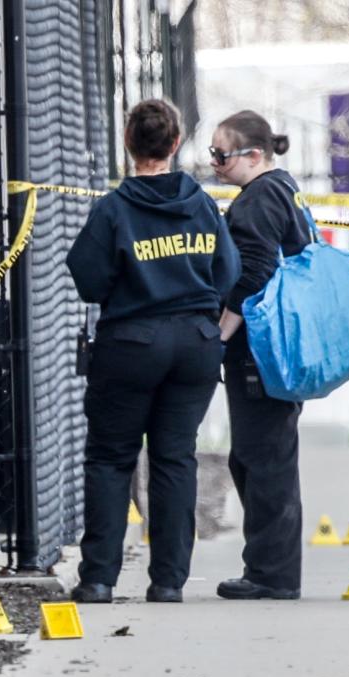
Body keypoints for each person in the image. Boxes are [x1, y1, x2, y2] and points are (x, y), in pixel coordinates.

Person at [66, 98, 240, 604]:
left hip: (130, 344)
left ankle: (98, 578)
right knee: (173, 458)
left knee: (111, 458)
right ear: (176, 143)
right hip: (195, 345)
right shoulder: (203, 205)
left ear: (128, 141)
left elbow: (89, 279)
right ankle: (168, 581)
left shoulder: (114, 210)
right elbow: (226, 274)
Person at [210, 110, 311, 600]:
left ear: (253, 155)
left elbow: (254, 273)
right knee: (259, 456)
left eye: (221, 154)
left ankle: (270, 575)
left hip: (260, 351)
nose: (214, 163)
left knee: (262, 458)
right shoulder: (283, 188)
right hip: (280, 348)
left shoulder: (258, 199)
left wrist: (221, 334)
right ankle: (270, 569)